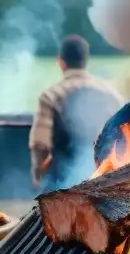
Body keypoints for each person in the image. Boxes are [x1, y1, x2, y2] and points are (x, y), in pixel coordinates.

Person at [29, 35, 123, 191]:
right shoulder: (111, 94)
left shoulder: (51, 96)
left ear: (60, 62)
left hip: (62, 182)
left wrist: (37, 172)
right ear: (86, 61)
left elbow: (40, 143)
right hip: (105, 179)